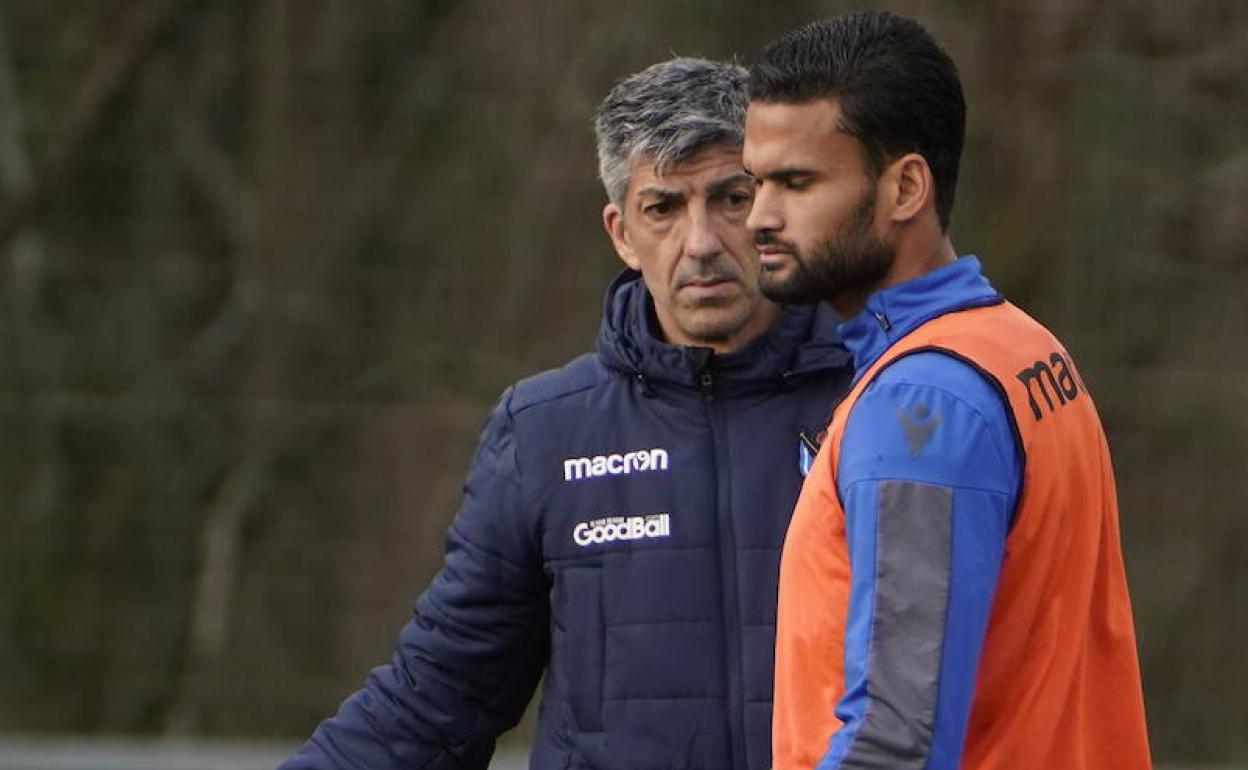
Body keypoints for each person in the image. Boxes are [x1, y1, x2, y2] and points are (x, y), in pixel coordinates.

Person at [277, 57, 852, 770]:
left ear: (771, 206)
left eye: (729, 199)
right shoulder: (547, 430)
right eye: (663, 208)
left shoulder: (883, 399)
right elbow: (436, 699)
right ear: (620, 233)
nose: (700, 242)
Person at [741, 12, 1151, 770]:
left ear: (904, 187)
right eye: (756, 182)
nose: (761, 217)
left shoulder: (920, 407)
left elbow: (896, 742)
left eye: (797, 182)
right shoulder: (1022, 345)